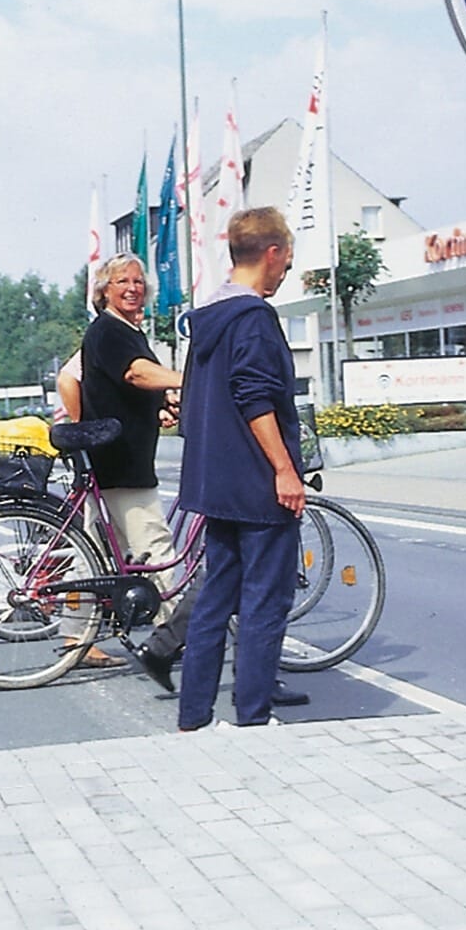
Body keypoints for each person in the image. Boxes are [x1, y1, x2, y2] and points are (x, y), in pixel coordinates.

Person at [175, 206, 310, 730]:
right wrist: (285, 470)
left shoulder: (208, 317)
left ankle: (194, 717)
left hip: (216, 482)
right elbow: (256, 398)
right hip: (257, 484)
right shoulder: (253, 319)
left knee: (216, 598)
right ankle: (253, 717)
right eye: (287, 262)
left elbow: (194, 402)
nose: (285, 273)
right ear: (271, 254)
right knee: (264, 602)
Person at [78, 254, 187, 689]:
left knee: (94, 554)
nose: (132, 288)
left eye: (139, 282)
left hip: (112, 456)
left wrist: (160, 407)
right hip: (121, 462)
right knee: (156, 548)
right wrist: (189, 378)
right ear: (104, 290)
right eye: (122, 281)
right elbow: (137, 374)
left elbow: (129, 389)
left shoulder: (124, 331)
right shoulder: (110, 330)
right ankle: (170, 639)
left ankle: (77, 639)